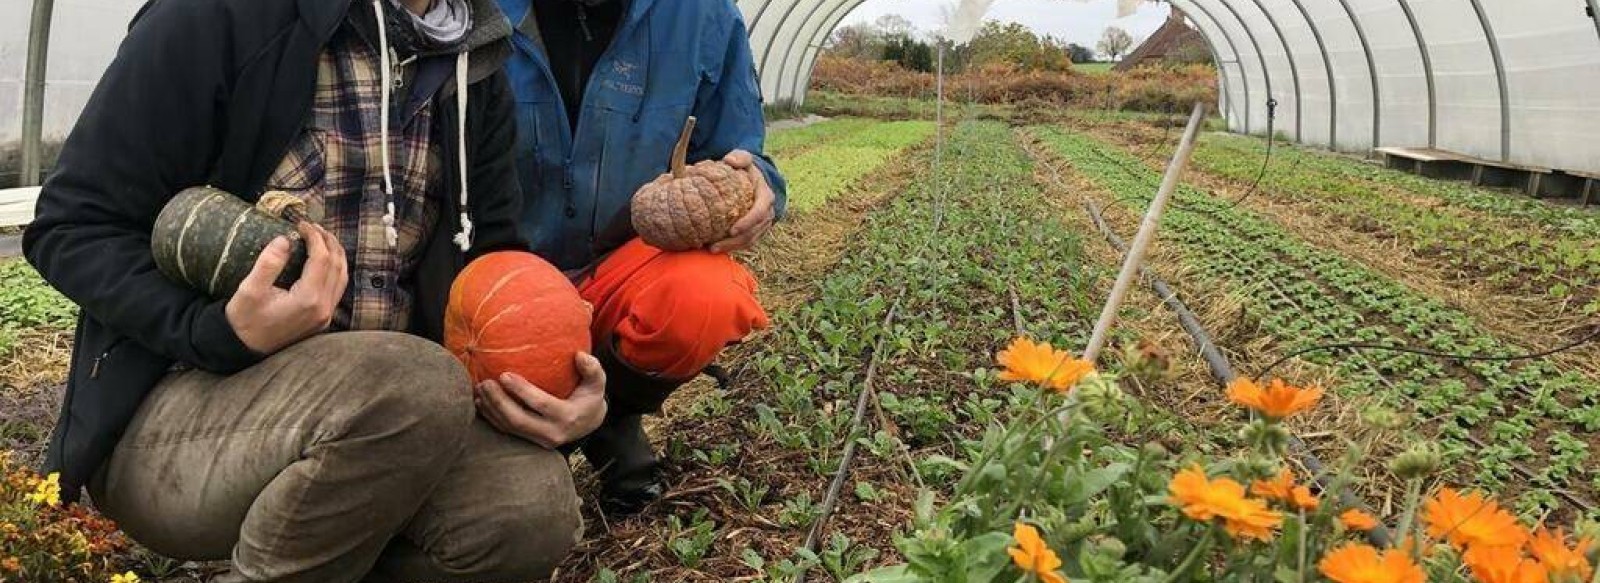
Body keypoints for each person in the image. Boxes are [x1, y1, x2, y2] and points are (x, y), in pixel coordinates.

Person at [24, 0, 607, 580]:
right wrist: (216, 329)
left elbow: (490, 264)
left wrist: (555, 380)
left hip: (387, 421)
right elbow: (71, 226)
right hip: (174, 419)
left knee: (529, 511)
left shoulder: (476, 61)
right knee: (412, 381)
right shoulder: (217, 17)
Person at [495, 0, 787, 515]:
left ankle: (604, 418)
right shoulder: (474, 10)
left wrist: (761, 183)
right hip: (499, 277)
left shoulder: (704, 16)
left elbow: (739, 151)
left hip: (617, 268)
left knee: (703, 296)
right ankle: (527, 438)